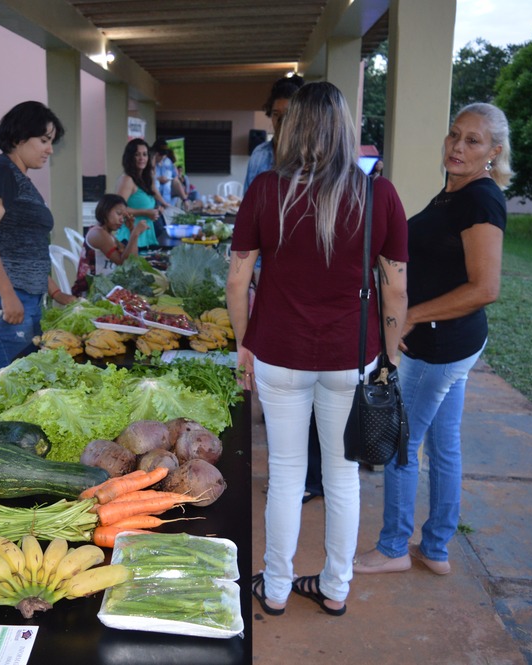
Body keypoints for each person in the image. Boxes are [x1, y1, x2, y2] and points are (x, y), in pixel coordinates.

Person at [226, 82, 408, 617]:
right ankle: (335, 588)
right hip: (352, 356)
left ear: (292, 127)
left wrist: (243, 344)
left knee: (284, 472)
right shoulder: (380, 195)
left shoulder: (265, 191)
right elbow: (395, 287)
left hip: (279, 351)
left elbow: (238, 281)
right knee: (342, 473)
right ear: (344, 128)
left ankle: (277, 589)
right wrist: (391, 354)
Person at [353, 102, 512, 577]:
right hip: (452, 344)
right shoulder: (453, 193)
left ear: (494, 152)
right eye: (454, 135)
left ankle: (394, 546)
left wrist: (410, 317)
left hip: (441, 346)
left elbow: (486, 288)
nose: (458, 146)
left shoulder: (481, 199)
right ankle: (437, 548)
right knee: (444, 445)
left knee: (403, 446)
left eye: (473, 140)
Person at [244, 74, 322, 502]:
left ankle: (309, 477)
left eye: (288, 116)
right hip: (272, 287)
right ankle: (296, 474)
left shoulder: (322, 168)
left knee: (310, 391)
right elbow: (248, 221)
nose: (280, 124)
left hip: (309, 294)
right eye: (275, 116)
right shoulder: (261, 158)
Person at [0, 100, 75, 371]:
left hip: (23, 297)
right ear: (20, 137)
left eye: (52, 142)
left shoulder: (18, 177)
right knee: (19, 384)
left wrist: (55, 292)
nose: (49, 150)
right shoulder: (0, 171)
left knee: (30, 380)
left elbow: (24, 249)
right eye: (44, 140)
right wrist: (7, 293)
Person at [72, 194, 149, 295]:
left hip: (106, 288)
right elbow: (124, 262)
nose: (122, 219)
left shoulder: (109, 235)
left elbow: (131, 259)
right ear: (105, 211)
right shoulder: (98, 233)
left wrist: (132, 230)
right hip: (91, 292)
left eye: (124, 216)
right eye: (118, 214)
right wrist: (135, 233)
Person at [243, 75, 304, 194]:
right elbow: (248, 199)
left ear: (300, 116)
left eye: (288, 114)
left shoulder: (308, 154)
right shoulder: (260, 154)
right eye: (276, 114)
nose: (281, 120)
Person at [115, 138, 161, 250]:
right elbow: (118, 209)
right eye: (137, 154)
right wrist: (145, 212)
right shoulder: (127, 179)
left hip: (146, 238)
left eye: (145, 154)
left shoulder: (144, 179)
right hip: (131, 238)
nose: (142, 158)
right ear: (130, 157)